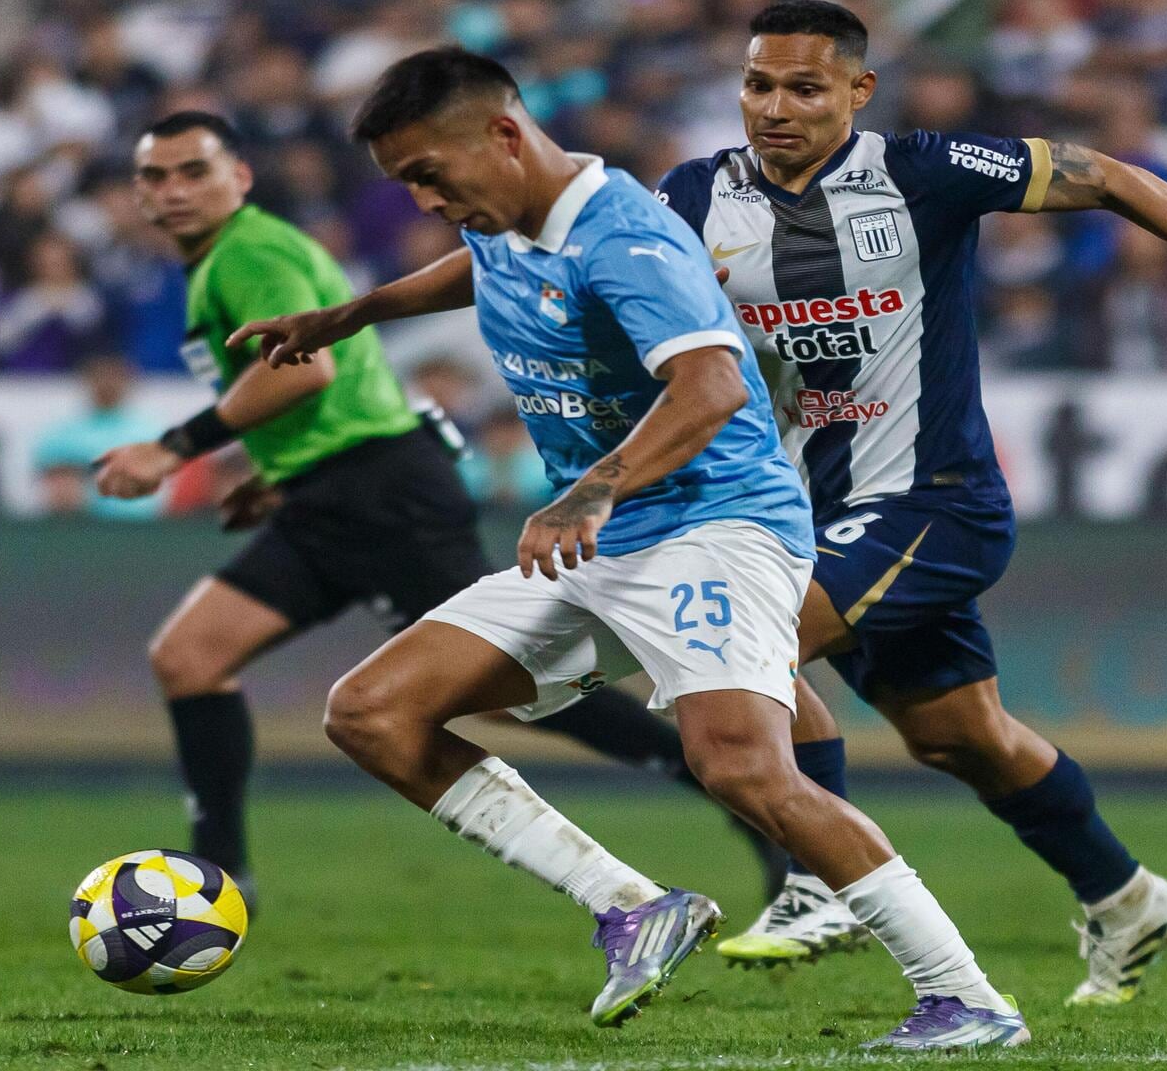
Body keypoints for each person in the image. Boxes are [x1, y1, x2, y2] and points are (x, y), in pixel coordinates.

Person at [233, 48, 1032, 1049]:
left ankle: (966, 997)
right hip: (608, 541)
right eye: (407, 184)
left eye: (430, 174)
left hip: (714, 528)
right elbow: (478, 266)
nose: (426, 201)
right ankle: (631, 906)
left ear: (504, 135)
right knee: (373, 712)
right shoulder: (505, 219)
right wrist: (350, 314)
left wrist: (592, 488)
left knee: (743, 769)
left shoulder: (625, 236)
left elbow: (713, 386)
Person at [650, 0, 1167, 1004]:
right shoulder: (692, 195)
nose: (776, 108)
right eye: (759, 85)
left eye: (805, 87)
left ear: (858, 91)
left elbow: (1110, 176)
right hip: (807, 511)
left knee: (747, 641)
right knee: (962, 737)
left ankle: (817, 878)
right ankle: (1128, 895)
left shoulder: (922, 171)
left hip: (932, 500)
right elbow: (586, 268)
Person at [91, 111, 783, 915]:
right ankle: (218, 877)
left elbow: (304, 372)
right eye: (156, 176)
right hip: (325, 493)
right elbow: (327, 384)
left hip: (384, 497)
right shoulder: (220, 260)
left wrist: (172, 449)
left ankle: (735, 794)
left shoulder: (251, 251)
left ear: (238, 178)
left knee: (504, 688)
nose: (174, 190)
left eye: (194, 171)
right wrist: (279, 469)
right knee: (190, 656)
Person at [35, 351, 163, 520]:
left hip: (139, 523)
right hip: (81, 523)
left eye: (114, 376)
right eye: (100, 376)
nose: (106, 383)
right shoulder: (61, 435)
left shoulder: (151, 431)